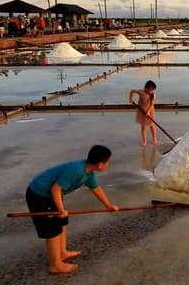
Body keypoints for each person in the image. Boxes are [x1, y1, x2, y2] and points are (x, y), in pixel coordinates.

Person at [24, 146, 119, 274]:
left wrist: (108, 206)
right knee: (52, 231)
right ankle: (55, 265)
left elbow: (96, 188)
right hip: (39, 194)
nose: (109, 164)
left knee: (61, 223)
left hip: (51, 195)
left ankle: (62, 253)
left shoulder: (88, 172)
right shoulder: (77, 170)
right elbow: (56, 189)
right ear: (100, 164)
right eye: (108, 161)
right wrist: (61, 209)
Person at [129, 80, 158, 145]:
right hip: (141, 111)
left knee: (151, 125)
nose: (152, 91)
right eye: (151, 89)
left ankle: (154, 139)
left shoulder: (152, 95)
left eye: (153, 90)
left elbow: (152, 105)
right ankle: (144, 141)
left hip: (150, 111)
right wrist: (130, 99)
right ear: (146, 88)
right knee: (143, 126)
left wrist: (148, 112)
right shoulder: (141, 92)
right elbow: (132, 91)